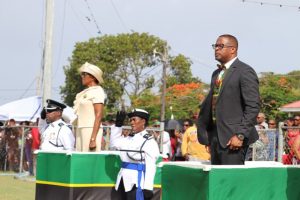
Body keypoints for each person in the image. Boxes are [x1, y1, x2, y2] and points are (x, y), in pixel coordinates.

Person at [197, 34, 260, 165]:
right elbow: (213, 106)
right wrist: (209, 137)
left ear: (233, 49)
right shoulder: (216, 73)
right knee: (217, 182)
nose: (216, 49)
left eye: (220, 46)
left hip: (234, 139)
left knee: (232, 182)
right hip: (215, 139)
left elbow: (252, 106)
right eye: (215, 46)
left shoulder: (245, 71)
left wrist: (240, 135)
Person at [113, 109, 160, 200]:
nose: (131, 122)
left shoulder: (149, 141)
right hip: (123, 179)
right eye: (130, 120)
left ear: (143, 121)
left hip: (137, 181)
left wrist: (148, 187)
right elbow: (114, 144)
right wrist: (118, 126)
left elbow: (151, 165)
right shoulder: (129, 138)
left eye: (134, 119)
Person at [73, 62, 105, 152]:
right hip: (81, 128)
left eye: (84, 74)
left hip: (91, 129)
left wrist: (93, 138)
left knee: (89, 159)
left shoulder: (98, 91)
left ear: (93, 77)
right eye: (81, 74)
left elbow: (98, 115)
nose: (82, 77)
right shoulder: (85, 92)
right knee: (80, 158)